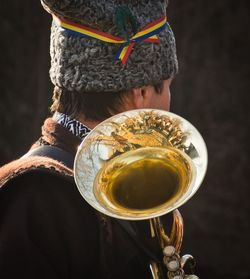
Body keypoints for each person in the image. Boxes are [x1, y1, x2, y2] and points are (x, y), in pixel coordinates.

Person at [0, 0, 180, 278]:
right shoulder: (34, 196)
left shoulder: (123, 188)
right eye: (168, 87)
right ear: (141, 92)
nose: (169, 100)